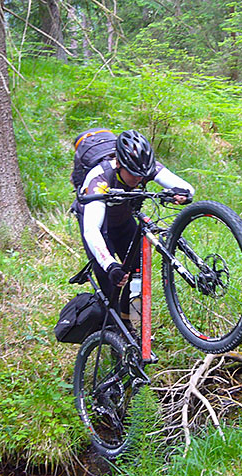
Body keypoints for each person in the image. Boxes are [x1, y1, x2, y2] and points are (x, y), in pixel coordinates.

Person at [72, 130, 195, 330]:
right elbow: (91, 230)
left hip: (123, 220)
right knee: (111, 281)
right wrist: (110, 265)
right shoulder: (100, 178)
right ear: (119, 164)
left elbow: (186, 187)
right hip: (97, 225)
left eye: (142, 174)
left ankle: (130, 323)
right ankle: (113, 331)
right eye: (133, 173)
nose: (139, 178)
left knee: (139, 272)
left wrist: (180, 194)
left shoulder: (144, 168)